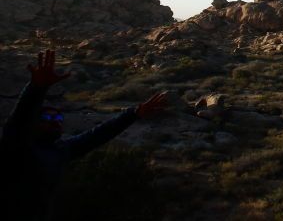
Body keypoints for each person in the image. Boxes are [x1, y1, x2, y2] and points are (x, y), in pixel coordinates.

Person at [0, 49, 168, 221]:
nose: (54, 121)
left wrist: (134, 113)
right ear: (34, 123)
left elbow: (97, 135)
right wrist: (36, 89)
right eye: (47, 117)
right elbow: (19, 120)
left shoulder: (61, 150)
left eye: (58, 117)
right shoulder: (16, 145)